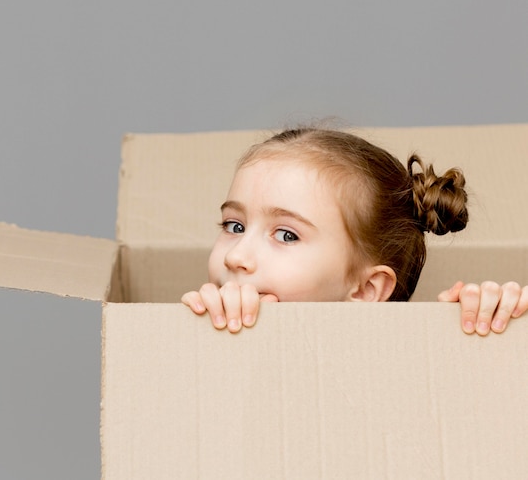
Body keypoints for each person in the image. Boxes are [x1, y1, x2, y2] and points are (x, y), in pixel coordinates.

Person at [182, 126, 528, 335]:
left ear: (365, 290)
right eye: (235, 225)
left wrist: (492, 317)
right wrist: (203, 327)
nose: (236, 255)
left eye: (286, 235)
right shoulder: (201, 317)